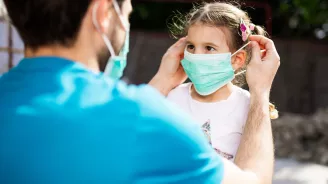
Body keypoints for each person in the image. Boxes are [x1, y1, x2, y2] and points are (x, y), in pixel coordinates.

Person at [0, 0, 280, 184]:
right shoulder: (147, 122)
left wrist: (161, 81)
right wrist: (261, 92)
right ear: (103, 13)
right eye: (127, 13)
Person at [167, 2, 278, 161]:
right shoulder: (173, 97)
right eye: (191, 46)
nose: (196, 55)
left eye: (209, 48)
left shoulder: (249, 107)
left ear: (236, 59)